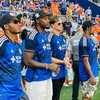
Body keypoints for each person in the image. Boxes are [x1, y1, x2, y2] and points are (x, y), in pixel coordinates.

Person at [24, 10, 59, 100]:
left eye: (48, 19)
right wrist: (48, 66)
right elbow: (27, 61)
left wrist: (54, 66)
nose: (48, 21)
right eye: (45, 19)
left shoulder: (44, 35)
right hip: (36, 79)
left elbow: (45, 56)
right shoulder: (32, 36)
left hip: (47, 77)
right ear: (38, 21)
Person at [0, 14, 26, 100]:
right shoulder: (2, 44)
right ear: (6, 26)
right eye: (15, 22)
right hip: (4, 95)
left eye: (19, 22)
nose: (19, 24)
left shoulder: (17, 45)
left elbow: (18, 69)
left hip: (18, 93)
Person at [49, 16, 71, 100]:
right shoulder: (50, 37)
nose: (61, 25)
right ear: (52, 25)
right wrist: (63, 62)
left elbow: (65, 53)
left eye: (62, 23)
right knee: (53, 96)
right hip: (53, 72)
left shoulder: (62, 38)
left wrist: (66, 60)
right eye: (59, 24)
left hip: (62, 71)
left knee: (57, 95)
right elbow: (47, 57)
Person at [79, 21, 99, 100]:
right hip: (87, 76)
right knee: (86, 97)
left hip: (93, 72)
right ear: (88, 28)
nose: (94, 28)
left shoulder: (90, 39)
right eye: (93, 26)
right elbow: (85, 60)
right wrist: (91, 76)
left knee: (89, 97)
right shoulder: (84, 41)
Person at [70, 25, 83, 100]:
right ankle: (86, 96)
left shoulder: (72, 38)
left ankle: (74, 97)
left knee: (76, 79)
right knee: (85, 79)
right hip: (82, 61)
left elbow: (70, 52)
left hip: (75, 61)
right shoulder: (84, 38)